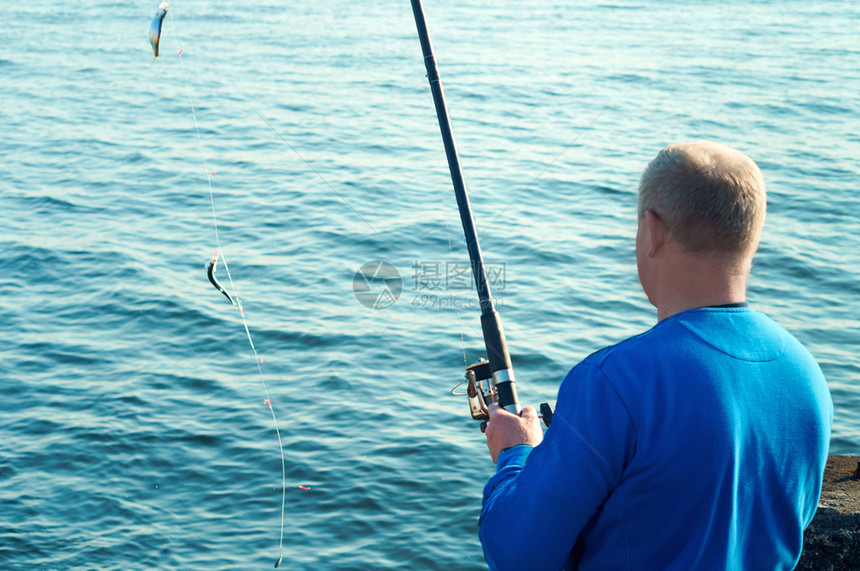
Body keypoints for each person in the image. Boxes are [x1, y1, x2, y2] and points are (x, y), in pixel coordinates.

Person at [480, 141, 833, 570]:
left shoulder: (612, 381)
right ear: (750, 237)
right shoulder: (808, 379)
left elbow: (517, 553)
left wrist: (515, 454)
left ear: (653, 231)